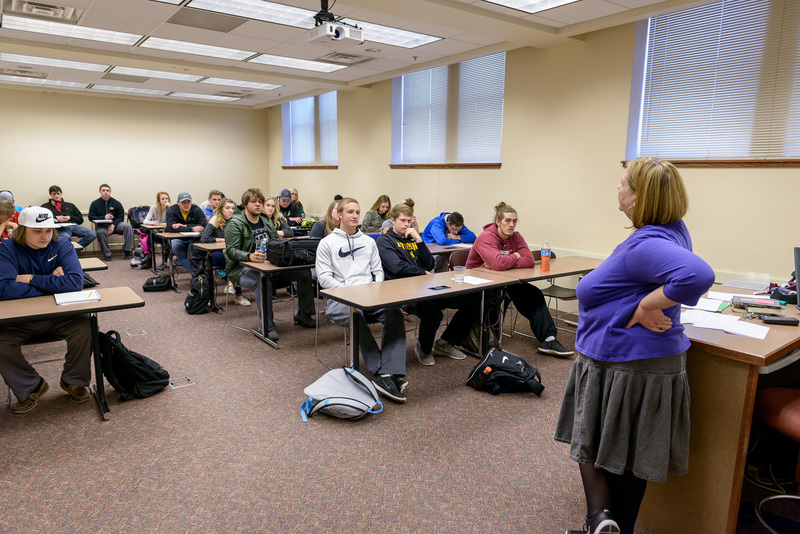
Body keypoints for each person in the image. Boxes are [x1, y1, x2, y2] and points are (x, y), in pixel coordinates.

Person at [555, 157, 715, 534]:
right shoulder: (674, 230)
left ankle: (600, 519)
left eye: (622, 183)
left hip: (625, 360)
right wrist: (638, 303)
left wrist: (643, 306)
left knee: (595, 440)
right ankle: (610, 525)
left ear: (640, 196)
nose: (618, 189)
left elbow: (699, 275)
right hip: (641, 360)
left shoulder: (647, 244)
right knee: (626, 452)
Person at [0, 206, 92, 414]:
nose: (45, 236)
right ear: (22, 230)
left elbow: (75, 283)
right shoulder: (7, 249)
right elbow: (3, 288)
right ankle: (31, 386)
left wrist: (30, 278)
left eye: (49, 230)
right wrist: (52, 282)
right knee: (1, 341)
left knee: (85, 326)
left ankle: (74, 381)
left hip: (59, 315)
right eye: (37, 231)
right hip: (19, 318)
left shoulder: (62, 245)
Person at [316, 197, 407, 403]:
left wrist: (373, 291)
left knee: (394, 313)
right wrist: (351, 293)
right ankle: (384, 374)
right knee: (355, 316)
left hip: (370, 296)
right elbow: (324, 279)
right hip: (339, 300)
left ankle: (388, 372)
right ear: (339, 215)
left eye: (357, 212)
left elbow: (377, 271)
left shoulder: (368, 242)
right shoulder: (327, 243)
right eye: (350, 212)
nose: (355, 216)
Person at [465, 202, 573, 357]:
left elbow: (529, 260)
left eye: (514, 221)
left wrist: (504, 261)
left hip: (504, 278)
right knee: (493, 300)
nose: (511, 225)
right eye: (507, 221)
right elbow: (497, 263)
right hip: (478, 282)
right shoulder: (486, 237)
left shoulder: (516, 236)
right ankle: (488, 342)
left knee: (533, 294)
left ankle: (549, 339)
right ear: (498, 221)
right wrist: (515, 255)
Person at [377, 202, 477, 366]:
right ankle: (423, 349)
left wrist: (419, 240)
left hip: (424, 287)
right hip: (402, 291)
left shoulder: (412, 239)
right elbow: (396, 267)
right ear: (393, 221)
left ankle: (445, 343)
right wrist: (422, 273)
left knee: (471, 300)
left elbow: (430, 263)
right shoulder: (384, 241)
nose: (406, 224)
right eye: (402, 220)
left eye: (409, 221)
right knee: (433, 313)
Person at [224, 188, 315, 342]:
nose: (258, 205)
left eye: (260, 202)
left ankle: (304, 314)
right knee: (262, 281)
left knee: (304, 272)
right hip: (242, 269)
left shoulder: (266, 220)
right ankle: (267, 326)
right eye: (254, 202)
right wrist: (249, 256)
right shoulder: (235, 224)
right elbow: (231, 251)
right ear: (245, 204)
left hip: (269, 265)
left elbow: (276, 243)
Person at [197, 198, 248, 306]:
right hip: (217, 254)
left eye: (233, 208)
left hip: (231, 253)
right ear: (221, 209)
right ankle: (237, 294)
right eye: (227, 208)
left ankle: (231, 285)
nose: (231, 211)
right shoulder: (215, 219)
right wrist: (221, 240)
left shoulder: (237, 221)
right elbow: (204, 238)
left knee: (236, 256)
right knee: (234, 258)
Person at [88, 183, 133, 261]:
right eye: (103, 190)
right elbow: (90, 217)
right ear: (100, 192)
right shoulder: (95, 203)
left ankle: (127, 251)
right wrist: (103, 217)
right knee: (101, 232)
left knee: (128, 226)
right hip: (102, 226)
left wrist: (113, 224)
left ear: (110, 192)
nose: (105, 192)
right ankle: (107, 254)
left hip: (115, 225)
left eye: (107, 190)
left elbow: (121, 217)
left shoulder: (116, 203)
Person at [164, 191, 206, 275]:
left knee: (201, 248)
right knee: (176, 247)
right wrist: (193, 228)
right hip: (178, 238)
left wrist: (184, 226)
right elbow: (171, 228)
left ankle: (200, 274)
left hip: (194, 238)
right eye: (183, 202)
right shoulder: (171, 210)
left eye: (188, 202)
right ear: (178, 202)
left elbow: (203, 225)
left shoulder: (197, 209)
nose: (186, 205)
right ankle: (196, 274)